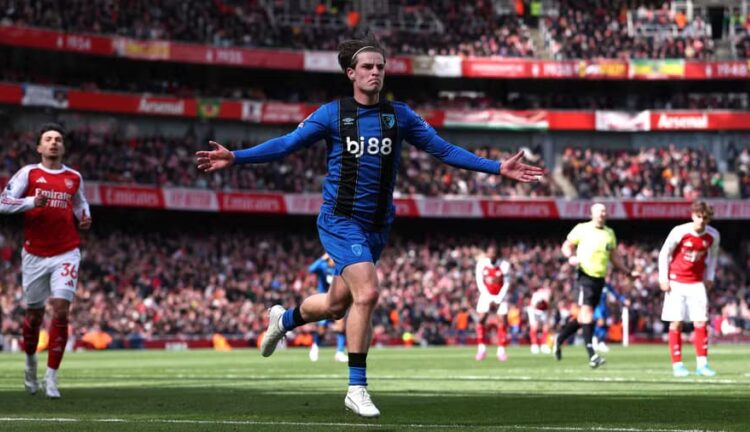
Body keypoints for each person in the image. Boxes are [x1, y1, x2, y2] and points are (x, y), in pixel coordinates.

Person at [195, 34, 543, 418]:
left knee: (335, 305)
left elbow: (443, 150)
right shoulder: (332, 114)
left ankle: (283, 318)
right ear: (351, 73)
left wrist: (497, 167)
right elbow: (287, 144)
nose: (375, 72)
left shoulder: (400, 116)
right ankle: (356, 387)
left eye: (380, 66)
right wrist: (237, 157)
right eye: (367, 67)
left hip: (378, 226)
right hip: (340, 220)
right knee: (369, 292)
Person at [0, 123, 91, 398]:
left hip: (66, 252)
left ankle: (52, 378)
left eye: (58, 139)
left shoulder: (74, 177)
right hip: (34, 255)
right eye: (48, 139)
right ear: (39, 147)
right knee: (34, 315)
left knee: (61, 310)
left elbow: (80, 202)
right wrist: (30, 202)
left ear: (63, 147)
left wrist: (85, 215)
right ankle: (30, 364)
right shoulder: (29, 173)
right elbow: (3, 203)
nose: (53, 143)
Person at [553, 203, 637, 368]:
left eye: (604, 211)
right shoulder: (582, 228)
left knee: (583, 318)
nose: (602, 213)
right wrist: (570, 257)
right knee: (588, 314)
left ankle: (559, 338)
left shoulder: (609, 233)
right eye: (599, 211)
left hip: (600, 278)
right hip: (584, 276)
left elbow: (614, 257)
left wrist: (627, 272)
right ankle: (592, 355)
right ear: (591, 214)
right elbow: (566, 246)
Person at [658, 200, 719, 377]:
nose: (701, 220)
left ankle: (702, 364)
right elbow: (664, 253)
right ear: (693, 216)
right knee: (676, 322)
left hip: (697, 283)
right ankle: (677, 364)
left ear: (708, 219)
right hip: (676, 282)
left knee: (701, 321)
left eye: (705, 218)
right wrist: (663, 278)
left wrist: (710, 277)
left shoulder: (713, 235)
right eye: (698, 216)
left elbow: (713, 257)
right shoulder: (680, 231)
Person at [307, 253, 348, 362]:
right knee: (322, 329)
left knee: (340, 325)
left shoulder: (339, 268)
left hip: (337, 300)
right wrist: (322, 258)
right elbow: (311, 269)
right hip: (324, 299)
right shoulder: (323, 266)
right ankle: (315, 346)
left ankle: (339, 352)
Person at [473, 246, 511, 361]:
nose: (492, 255)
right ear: (487, 254)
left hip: (501, 296)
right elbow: (480, 282)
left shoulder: (505, 265)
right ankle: (482, 349)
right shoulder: (481, 264)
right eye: (490, 253)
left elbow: (507, 283)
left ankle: (501, 351)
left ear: (497, 254)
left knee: (502, 321)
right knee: (481, 320)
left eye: (494, 253)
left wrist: (498, 299)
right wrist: (489, 298)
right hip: (486, 295)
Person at [592, 284, 629, 353]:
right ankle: (595, 341)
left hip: (604, 307)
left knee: (605, 325)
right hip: (597, 306)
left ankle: (599, 342)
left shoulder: (607, 286)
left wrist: (623, 300)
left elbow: (615, 293)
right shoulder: (595, 283)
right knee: (600, 322)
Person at [527, 283, 552, 354]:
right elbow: (534, 305)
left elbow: (548, 305)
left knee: (545, 327)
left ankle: (544, 345)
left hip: (544, 311)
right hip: (535, 310)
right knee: (535, 327)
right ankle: (534, 345)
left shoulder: (548, 294)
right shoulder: (538, 294)